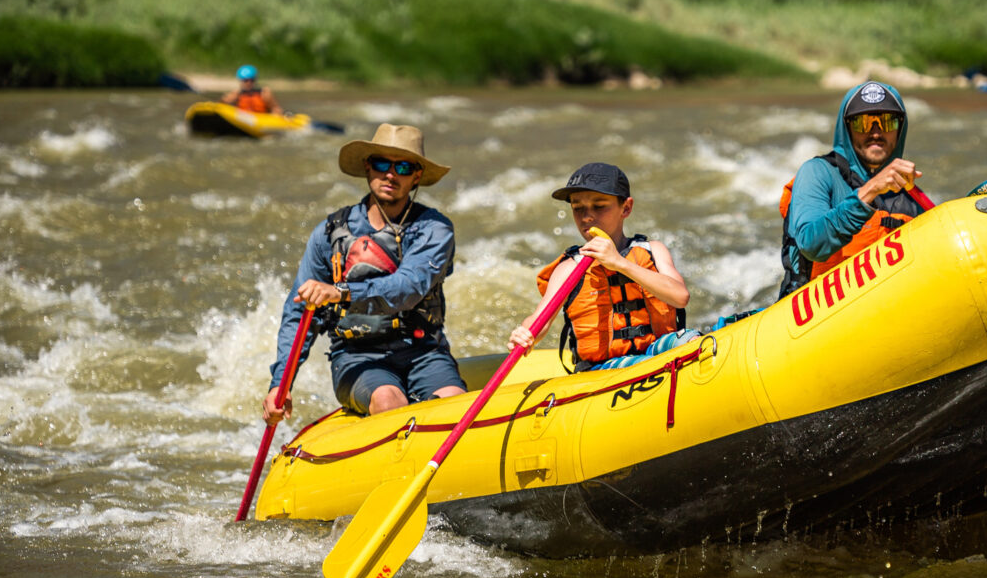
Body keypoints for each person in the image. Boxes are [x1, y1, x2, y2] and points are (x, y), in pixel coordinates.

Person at [261, 124, 465, 426]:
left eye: (404, 167)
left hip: (423, 351)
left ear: (417, 176)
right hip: (357, 356)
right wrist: (281, 383)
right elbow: (299, 312)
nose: (391, 175)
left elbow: (408, 287)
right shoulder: (329, 233)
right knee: (388, 400)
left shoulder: (434, 229)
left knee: (453, 405)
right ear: (368, 167)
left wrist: (341, 292)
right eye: (382, 164)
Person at [509, 162, 696, 372]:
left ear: (626, 208)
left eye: (599, 206)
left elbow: (680, 297)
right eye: (577, 208)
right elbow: (540, 320)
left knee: (691, 341)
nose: (587, 216)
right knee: (649, 365)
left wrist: (620, 263)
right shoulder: (570, 267)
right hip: (601, 369)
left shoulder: (653, 250)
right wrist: (525, 333)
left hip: (655, 351)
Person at [778, 81, 930, 298]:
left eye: (887, 122)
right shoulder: (817, 173)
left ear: (900, 128)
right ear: (847, 128)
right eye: (863, 123)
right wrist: (870, 191)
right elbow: (812, 245)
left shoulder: (913, 199)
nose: (876, 132)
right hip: (817, 316)